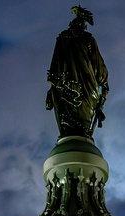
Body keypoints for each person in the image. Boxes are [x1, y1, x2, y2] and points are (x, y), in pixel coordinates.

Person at [45, 6, 108, 138]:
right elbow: (98, 66)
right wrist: (104, 83)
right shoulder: (88, 40)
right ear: (83, 26)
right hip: (87, 87)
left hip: (63, 87)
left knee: (67, 121)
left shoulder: (62, 38)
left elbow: (54, 66)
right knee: (83, 122)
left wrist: (53, 88)